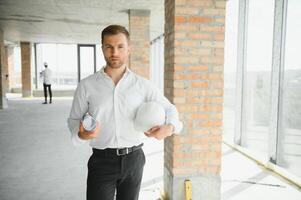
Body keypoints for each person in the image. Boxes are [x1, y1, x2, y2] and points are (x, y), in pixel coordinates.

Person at [67, 25, 183, 200]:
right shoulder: (87, 85)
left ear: (129, 49)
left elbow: (170, 108)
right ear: (102, 49)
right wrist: (82, 135)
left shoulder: (142, 85)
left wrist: (170, 127)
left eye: (120, 46)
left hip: (134, 160)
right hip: (101, 160)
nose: (114, 52)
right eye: (109, 46)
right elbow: (74, 119)